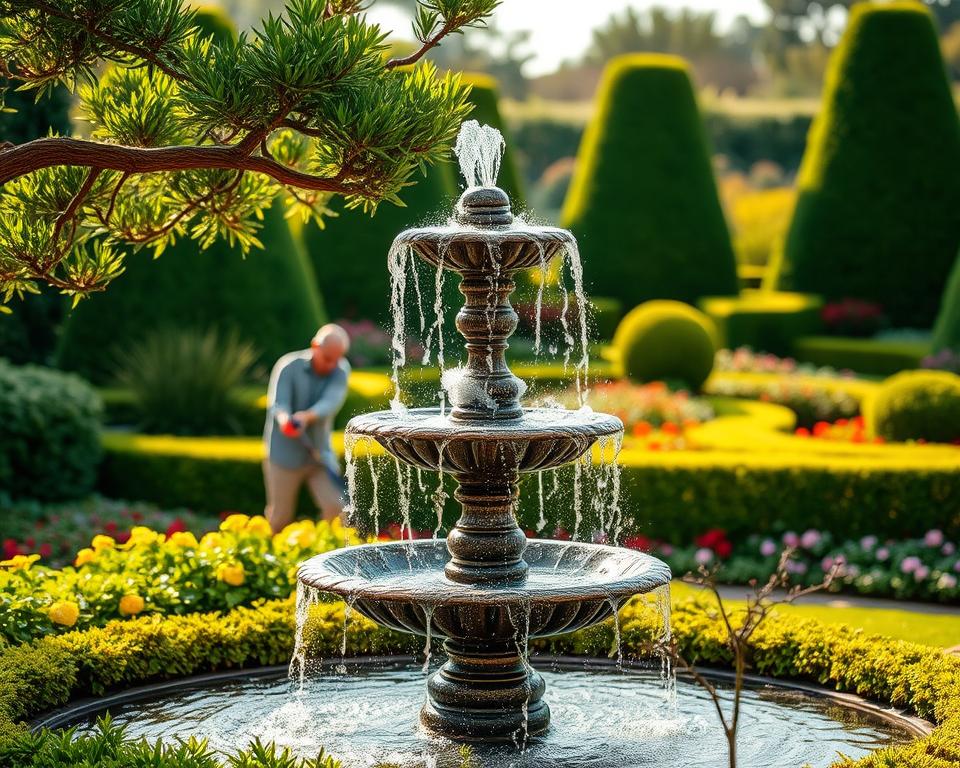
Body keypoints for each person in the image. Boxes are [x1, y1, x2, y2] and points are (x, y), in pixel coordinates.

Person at [263, 324, 351, 532]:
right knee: (279, 517)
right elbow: (278, 404)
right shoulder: (287, 365)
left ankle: (332, 558)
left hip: (319, 456)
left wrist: (305, 417)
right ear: (315, 346)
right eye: (327, 358)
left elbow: (329, 403)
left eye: (336, 359)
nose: (331, 365)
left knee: (338, 509)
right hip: (283, 456)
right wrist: (286, 420)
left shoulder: (340, 369)